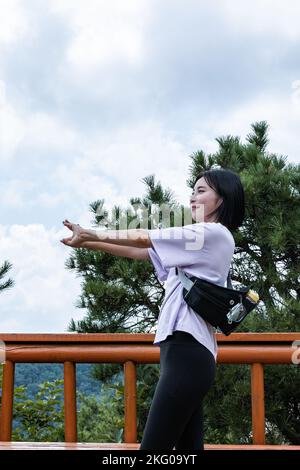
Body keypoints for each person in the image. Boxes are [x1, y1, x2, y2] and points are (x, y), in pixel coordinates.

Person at [60, 167, 245, 451]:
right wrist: (88, 242)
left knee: (152, 453)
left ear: (223, 198)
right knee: (186, 455)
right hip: (185, 355)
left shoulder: (212, 234)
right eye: (192, 191)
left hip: (188, 355)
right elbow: (142, 251)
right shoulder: (196, 243)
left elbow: (143, 237)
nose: (192, 198)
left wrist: (91, 232)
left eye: (201, 191)